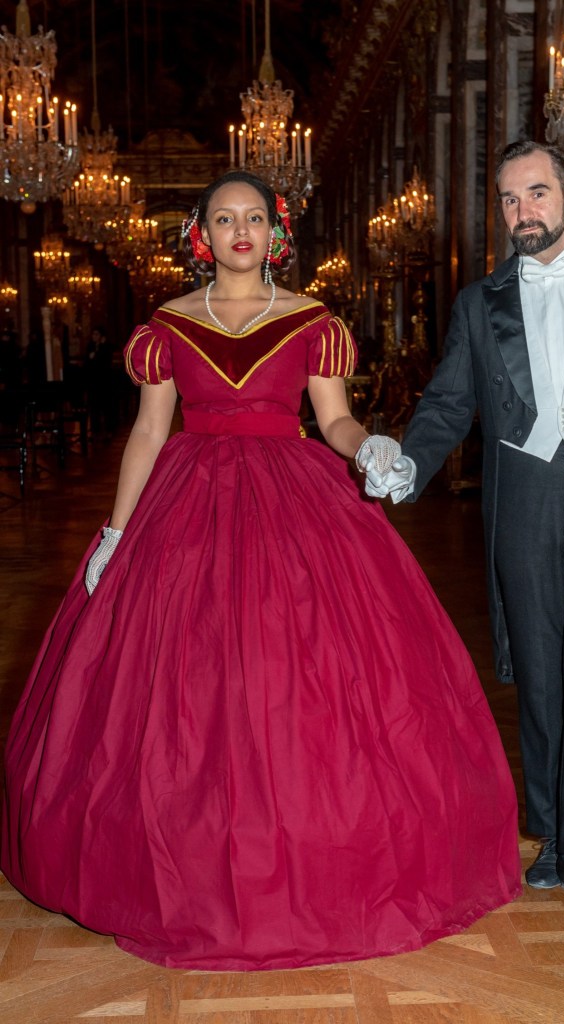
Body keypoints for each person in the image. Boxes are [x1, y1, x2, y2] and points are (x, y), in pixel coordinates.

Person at [1, 170, 521, 972]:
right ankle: (191, 859)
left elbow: (335, 418)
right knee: (189, 681)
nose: (238, 230)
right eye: (222, 219)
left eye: (253, 218)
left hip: (295, 497)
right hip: (187, 510)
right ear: (200, 237)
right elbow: (147, 434)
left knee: (297, 669)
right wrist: (113, 533)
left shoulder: (312, 321)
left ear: (274, 233)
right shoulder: (167, 326)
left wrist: (371, 447)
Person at [360, 141, 564, 917]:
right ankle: (549, 833)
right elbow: (445, 404)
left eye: (536, 194)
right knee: (539, 675)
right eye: (509, 200)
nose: (523, 212)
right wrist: (408, 463)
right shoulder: (481, 303)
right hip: (525, 501)